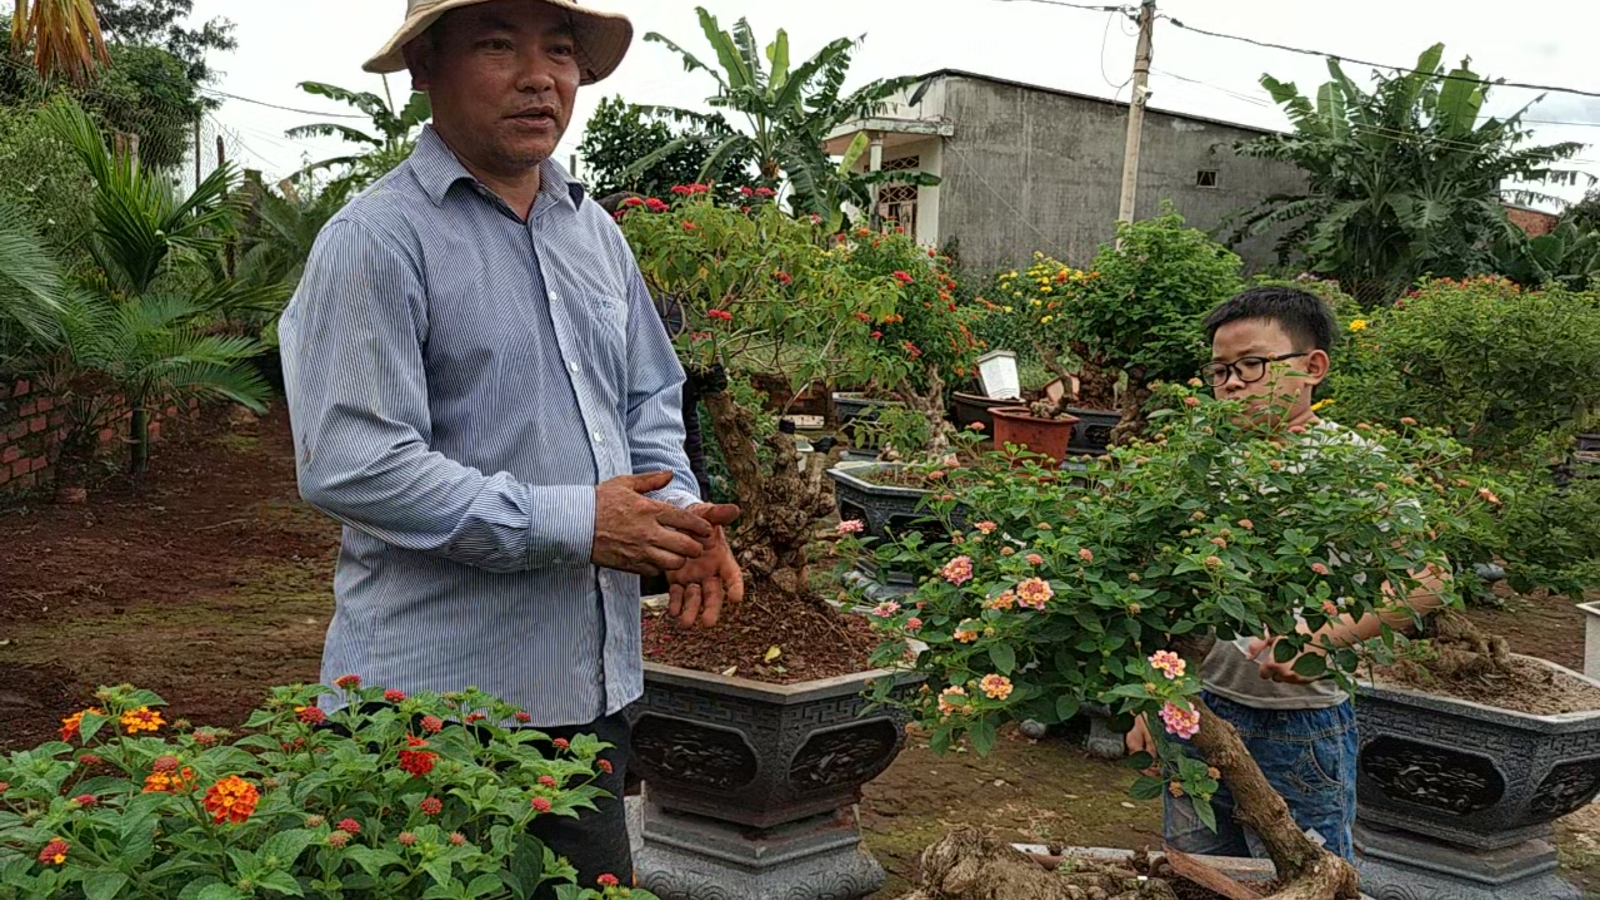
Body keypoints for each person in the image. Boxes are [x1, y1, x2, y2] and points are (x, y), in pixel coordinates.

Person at [276, 0, 744, 891]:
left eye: (560, 51)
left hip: (590, 697)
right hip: (429, 718)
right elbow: (350, 457)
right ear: (425, 68)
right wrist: (577, 522)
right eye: (498, 46)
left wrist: (678, 522)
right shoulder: (375, 241)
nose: (541, 77)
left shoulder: (591, 230)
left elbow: (650, 396)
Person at [1124, 285, 1450, 861]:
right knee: (1196, 866)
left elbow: (1427, 580)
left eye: (1251, 365)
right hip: (1200, 705)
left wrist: (1323, 642)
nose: (1231, 383)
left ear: (1312, 367)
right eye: (1220, 370)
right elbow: (1157, 595)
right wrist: (1154, 698)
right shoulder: (1199, 464)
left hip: (1301, 725)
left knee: (1303, 870)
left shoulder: (1351, 464)